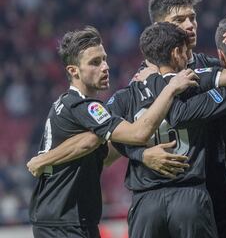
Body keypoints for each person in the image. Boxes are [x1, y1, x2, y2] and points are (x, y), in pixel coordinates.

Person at [28, 26, 198, 238]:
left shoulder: (73, 106)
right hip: (63, 220)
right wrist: (170, 88)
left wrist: (141, 154)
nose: (105, 67)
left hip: (69, 217)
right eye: (95, 62)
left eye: (104, 59)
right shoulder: (82, 106)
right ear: (73, 71)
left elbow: (101, 151)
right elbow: (138, 134)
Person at [107, 22, 226, 238]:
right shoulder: (195, 87)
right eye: (185, 52)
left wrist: (139, 154)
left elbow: (113, 139)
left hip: (145, 201)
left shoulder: (125, 96)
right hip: (189, 196)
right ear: (176, 53)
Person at [144, 0, 226, 238]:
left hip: (216, 186)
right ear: (158, 27)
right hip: (169, 194)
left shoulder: (212, 67)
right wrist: (141, 154)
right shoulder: (141, 81)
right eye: (179, 20)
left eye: (192, 17)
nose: (190, 25)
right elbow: (117, 135)